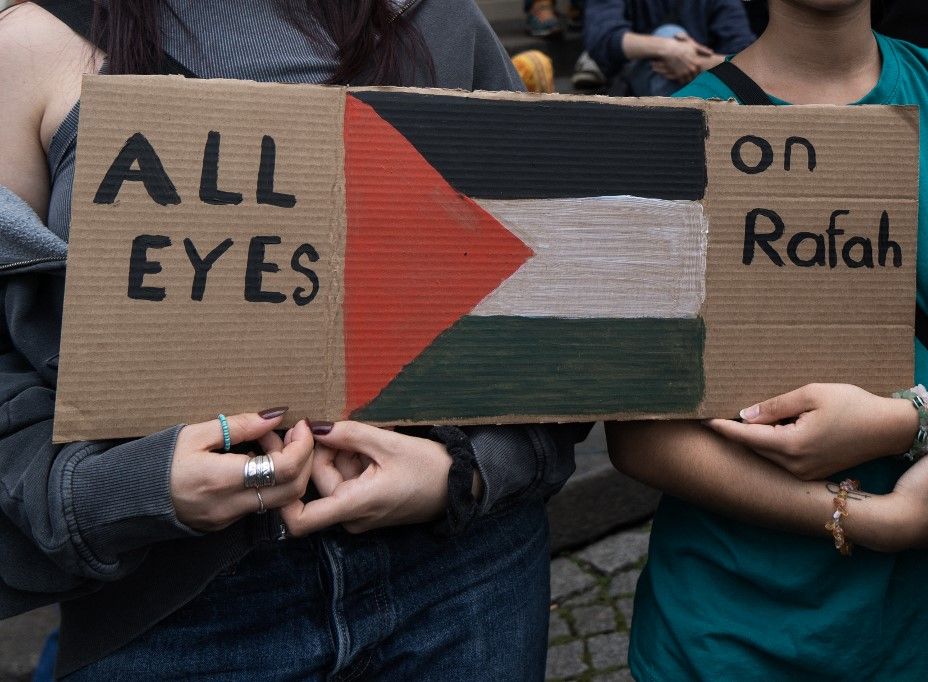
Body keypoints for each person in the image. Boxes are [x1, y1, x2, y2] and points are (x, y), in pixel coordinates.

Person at [0, 1, 588, 679]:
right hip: (177, 609)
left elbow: (561, 311)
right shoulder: (35, 44)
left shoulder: (440, 19)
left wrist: (465, 473)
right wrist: (124, 489)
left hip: (465, 578)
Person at [608, 0, 928, 679]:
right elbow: (638, 432)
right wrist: (867, 519)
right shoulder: (672, 135)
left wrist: (904, 421)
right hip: (734, 639)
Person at [583, 0, 754, 95]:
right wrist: (668, 48)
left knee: (669, 33)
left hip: (704, 79)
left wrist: (694, 60)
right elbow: (602, 38)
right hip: (637, 82)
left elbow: (746, 56)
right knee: (669, 33)